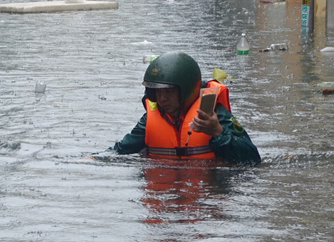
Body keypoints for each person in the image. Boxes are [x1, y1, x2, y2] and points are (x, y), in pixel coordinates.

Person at [111, 52, 261, 165]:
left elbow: (253, 159)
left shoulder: (214, 115)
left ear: (187, 91)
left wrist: (217, 132)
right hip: (164, 194)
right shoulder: (149, 119)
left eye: (169, 91)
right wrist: (92, 158)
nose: (162, 99)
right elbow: (120, 150)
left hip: (205, 194)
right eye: (158, 92)